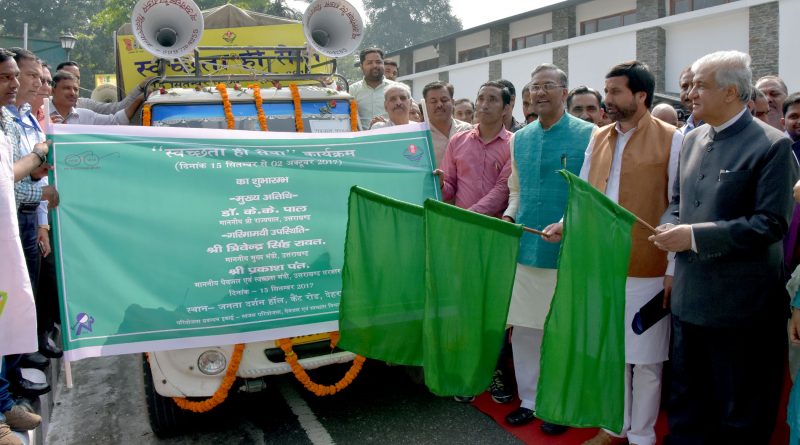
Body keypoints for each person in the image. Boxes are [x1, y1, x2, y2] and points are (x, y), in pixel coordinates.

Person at [650, 50, 797, 445]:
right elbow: (679, 201)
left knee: (741, 413)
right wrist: (671, 222)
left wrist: (695, 236)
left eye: (700, 84)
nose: (690, 93)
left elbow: (771, 223)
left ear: (731, 91)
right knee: (688, 405)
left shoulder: (772, 145)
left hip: (742, 309)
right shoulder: (693, 138)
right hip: (689, 301)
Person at [546, 60, 681, 445]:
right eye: (606, 92)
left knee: (648, 360)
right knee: (614, 354)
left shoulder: (674, 138)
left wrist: (672, 265)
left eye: (615, 92)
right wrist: (565, 223)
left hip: (648, 265)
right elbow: (586, 194)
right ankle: (613, 427)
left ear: (641, 95)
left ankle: (641, 437)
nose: (607, 100)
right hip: (601, 264)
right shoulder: (600, 137)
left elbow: (678, 204)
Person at [503, 63, 594, 436]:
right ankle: (530, 400)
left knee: (563, 331)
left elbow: (592, 195)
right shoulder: (519, 138)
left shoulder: (590, 135)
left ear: (564, 91)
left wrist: (567, 225)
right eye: (534, 86)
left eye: (547, 86)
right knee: (525, 330)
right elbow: (516, 190)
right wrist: (509, 217)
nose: (539, 93)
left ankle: (561, 402)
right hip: (526, 247)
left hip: (569, 249)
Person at [50, 71, 142, 125]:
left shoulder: (86, 116)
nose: (72, 93)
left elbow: (116, 121)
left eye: (76, 89)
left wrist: (139, 99)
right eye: (66, 88)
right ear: (53, 90)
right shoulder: (40, 115)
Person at [56, 61, 145, 115]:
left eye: (77, 78)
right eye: (68, 77)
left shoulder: (86, 110)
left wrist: (139, 88)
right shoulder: (44, 110)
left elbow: (118, 111)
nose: (73, 81)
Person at [423, 81, 472, 168]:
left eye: (444, 100)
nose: (439, 105)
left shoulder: (467, 130)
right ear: (425, 105)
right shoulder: (421, 135)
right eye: (433, 101)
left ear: (453, 102)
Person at [348, 48, 397, 130]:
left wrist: (386, 124)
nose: (375, 66)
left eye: (378, 62)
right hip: (362, 139)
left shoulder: (397, 88)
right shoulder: (352, 90)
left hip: (390, 137)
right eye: (370, 63)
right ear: (361, 67)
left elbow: (411, 112)